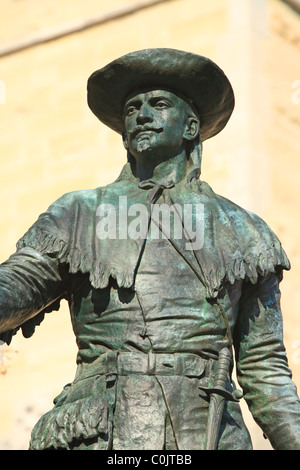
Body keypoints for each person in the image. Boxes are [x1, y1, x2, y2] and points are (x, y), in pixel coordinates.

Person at [0, 48, 300, 450]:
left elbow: (265, 368)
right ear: (124, 134)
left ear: (191, 126)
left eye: (158, 104)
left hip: (209, 431)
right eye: (132, 109)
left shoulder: (246, 231)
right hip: (103, 428)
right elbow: (19, 282)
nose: (142, 115)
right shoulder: (78, 213)